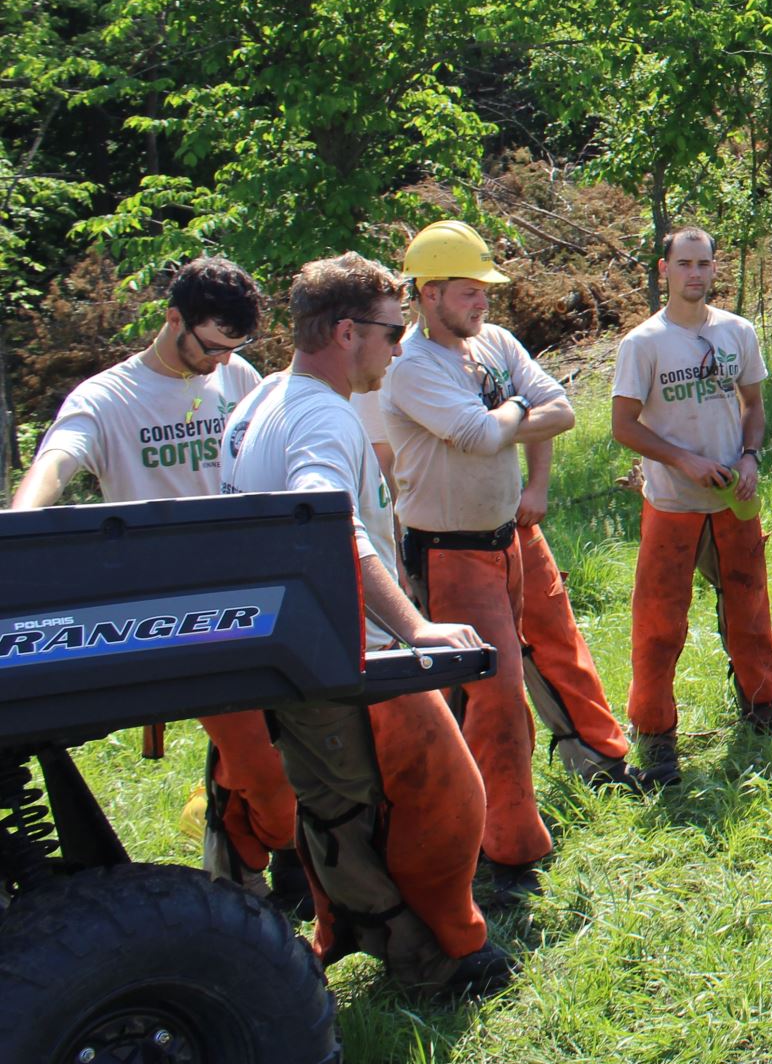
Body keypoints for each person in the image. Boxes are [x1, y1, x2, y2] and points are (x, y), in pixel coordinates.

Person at [221, 252, 512, 998]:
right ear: (346, 331)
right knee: (428, 803)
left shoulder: (260, 403)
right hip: (342, 649)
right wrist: (414, 626)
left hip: (290, 648)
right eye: (390, 331)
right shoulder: (322, 414)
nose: (396, 345)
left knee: (340, 809)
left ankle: (380, 942)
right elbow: (330, 525)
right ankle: (434, 961)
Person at [11, 257, 305, 910]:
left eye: (234, 348)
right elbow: (57, 459)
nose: (220, 361)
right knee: (270, 783)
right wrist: (17, 524)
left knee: (301, 748)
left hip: (264, 593)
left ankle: (261, 878)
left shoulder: (236, 375)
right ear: (173, 318)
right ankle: (251, 854)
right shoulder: (107, 398)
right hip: (187, 614)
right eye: (211, 345)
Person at [372, 219, 642, 902]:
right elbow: (473, 431)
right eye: (468, 292)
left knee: (557, 644)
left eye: (484, 290)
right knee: (491, 698)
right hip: (449, 550)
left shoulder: (492, 342)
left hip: (510, 533)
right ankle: (506, 851)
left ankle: (601, 756)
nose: (482, 303)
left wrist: (525, 455)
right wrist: (516, 408)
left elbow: (562, 411)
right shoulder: (410, 368)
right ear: (428, 294)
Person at [611, 227, 772, 785]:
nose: (695, 273)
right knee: (660, 622)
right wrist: (682, 461)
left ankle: (763, 705)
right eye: (684, 264)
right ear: (664, 270)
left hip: (733, 497)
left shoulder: (737, 331)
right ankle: (656, 732)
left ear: (715, 270)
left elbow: (755, 405)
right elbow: (623, 426)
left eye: (704, 264)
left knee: (750, 605)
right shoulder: (644, 342)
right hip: (672, 502)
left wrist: (750, 456)